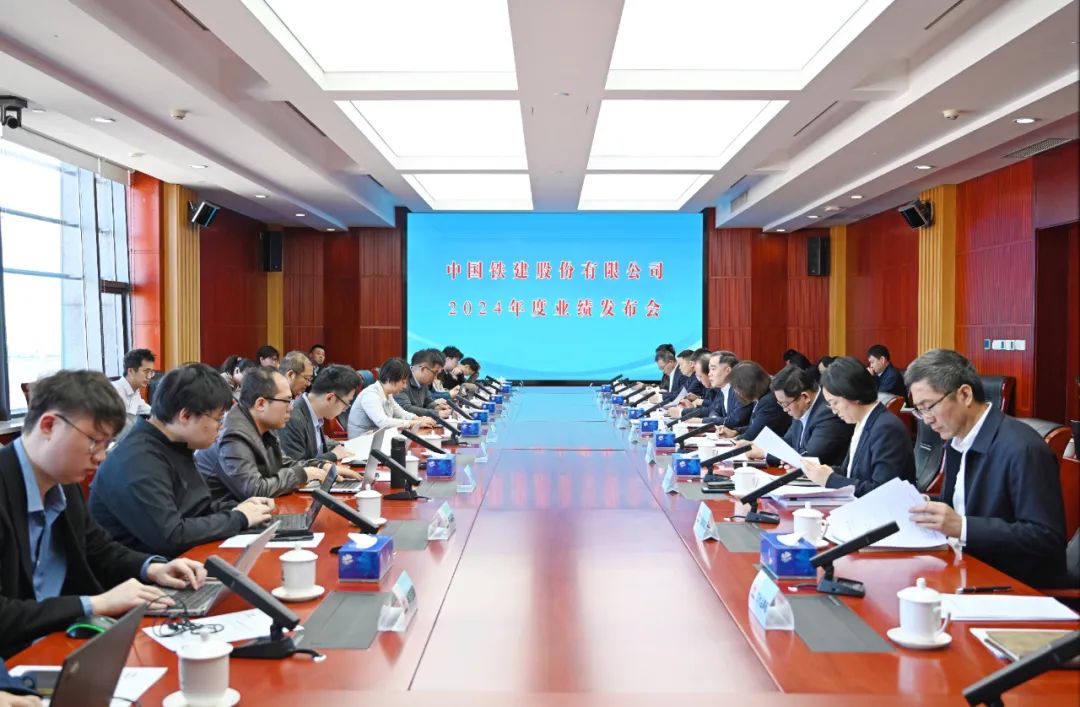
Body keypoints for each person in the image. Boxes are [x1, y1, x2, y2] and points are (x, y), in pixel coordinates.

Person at [0, 370, 207, 659]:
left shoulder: (64, 482)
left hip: (63, 642)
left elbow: (98, 548)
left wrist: (152, 568)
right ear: (49, 425)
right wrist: (95, 604)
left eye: (105, 444)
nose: (99, 457)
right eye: (93, 442)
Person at [906, 349, 1066, 588]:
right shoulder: (956, 442)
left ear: (965, 394)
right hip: (964, 569)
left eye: (929, 406)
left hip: (1011, 587)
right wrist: (929, 506)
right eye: (920, 410)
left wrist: (963, 527)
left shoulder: (1023, 449)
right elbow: (968, 504)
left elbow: (1046, 538)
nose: (926, 419)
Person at [89, 364, 274, 557]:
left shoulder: (174, 445)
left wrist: (239, 508)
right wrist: (239, 518)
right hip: (145, 571)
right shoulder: (136, 460)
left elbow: (196, 509)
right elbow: (171, 536)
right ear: (185, 415)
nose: (221, 427)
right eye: (218, 419)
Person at [195, 367, 331, 503]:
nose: (291, 408)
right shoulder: (233, 435)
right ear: (261, 404)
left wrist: (319, 466)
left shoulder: (262, 424)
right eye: (287, 401)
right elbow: (255, 490)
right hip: (222, 512)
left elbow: (281, 463)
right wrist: (302, 474)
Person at [801, 357, 915, 496]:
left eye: (834, 403)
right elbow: (851, 472)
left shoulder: (886, 428)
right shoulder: (862, 422)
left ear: (852, 394)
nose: (833, 411)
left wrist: (830, 479)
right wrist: (817, 471)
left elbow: (882, 492)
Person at [746, 364, 852, 467]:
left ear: (805, 397)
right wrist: (755, 444)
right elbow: (789, 442)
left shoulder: (828, 412)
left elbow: (811, 457)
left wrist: (765, 454)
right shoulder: (801, 408)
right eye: (781, 404)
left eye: (785, 404)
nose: (784, 409)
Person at [280, 364, 361, 464]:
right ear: (330, 398)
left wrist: (347, 445)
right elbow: (296, 466)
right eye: (346, 403)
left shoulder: (314, 412)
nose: (345, 409)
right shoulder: (292, 418)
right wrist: (333, 455)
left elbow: (317, 443)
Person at [349, 358, 438, 437]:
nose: (405, 386)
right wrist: (414, 423)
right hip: (362, 442)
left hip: (378, 439)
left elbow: (401, 413)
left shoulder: (387, 394)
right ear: (389, 379)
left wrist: (418, 418)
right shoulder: (371, 395)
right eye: (403, 382)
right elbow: (383, 422)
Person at [716, 361, 791, 440]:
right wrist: (735, 431)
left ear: (746, 386)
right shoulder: (762, 395)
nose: (736, 392)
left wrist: (735, 439)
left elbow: (753, 435)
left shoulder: (769, 401)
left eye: (737, 387)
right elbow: (755, 425)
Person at [395, 349, 451, 420]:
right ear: (423, 369)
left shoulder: (423, 383)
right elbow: (406, 408)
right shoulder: (401, 379)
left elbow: (428, 402)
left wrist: (437, 407)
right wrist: (436, 413)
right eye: (435, 373)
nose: (435, 377)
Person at [111, 348, 155, 416]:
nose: (149, 377)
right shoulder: (113, 391)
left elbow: (148, 410)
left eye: (151, 372)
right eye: (146, 371)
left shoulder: (135, 392)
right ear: (131, 371)